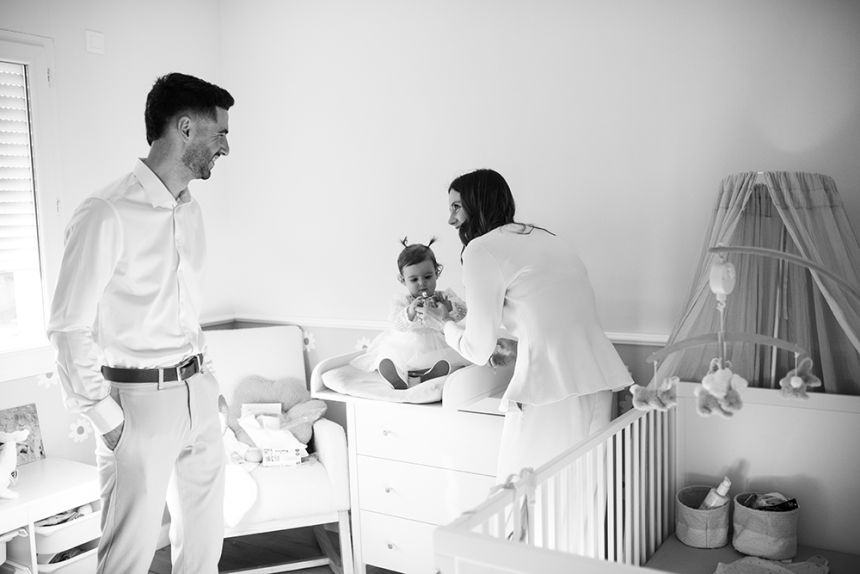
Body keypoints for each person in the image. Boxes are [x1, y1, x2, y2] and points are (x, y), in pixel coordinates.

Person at [47, 72, 234, 574]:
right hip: (137, 406)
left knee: (204, 552)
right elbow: (67, 327)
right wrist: (107, 422)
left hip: (197, 395)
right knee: (127, 558)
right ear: (185, 128)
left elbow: (187, 312)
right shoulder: (105, 212)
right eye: (220, 133)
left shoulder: (190, 212)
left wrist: (208, 385)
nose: (226, 147)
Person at [423, 168, 633, 480]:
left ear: (478, 204)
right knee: (583, 486)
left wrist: (443, 324)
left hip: (549, 388)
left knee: (525, 489)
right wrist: (518, 347)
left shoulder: (481, 249)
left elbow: (477, 351)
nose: (451, 220)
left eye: (456, 207)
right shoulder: (547, 238)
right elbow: (557, 315)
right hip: (597, 378)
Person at [350, 237, 469, 389]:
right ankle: (398, 377)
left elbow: (463, 311)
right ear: (402, 280)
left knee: (451, 361)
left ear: (437, 273)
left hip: (437, 343)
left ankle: (428, 375)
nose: (422, 283)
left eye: (428, 277)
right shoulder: (402, 301)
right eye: (414, 279)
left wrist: (449, 306)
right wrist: (410, 311)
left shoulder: (444, 296)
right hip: (407, 345)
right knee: (392, 357)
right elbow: (396, 324)